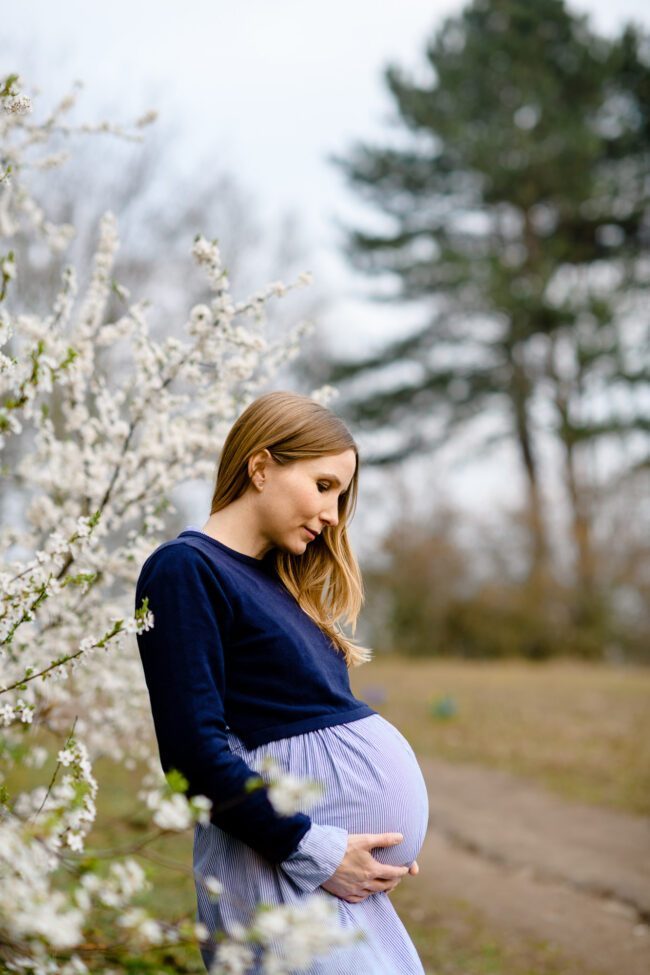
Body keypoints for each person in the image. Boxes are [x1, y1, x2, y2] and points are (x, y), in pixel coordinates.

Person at [135, 390, 429, 974]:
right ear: (262, 466)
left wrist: (375, 839)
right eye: (324, 487)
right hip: (280, 871)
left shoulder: (283, 587)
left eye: (342, 496)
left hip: (327, 880)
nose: (333, 514)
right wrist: (317, 849)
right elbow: (191, 753)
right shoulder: (185, 569)